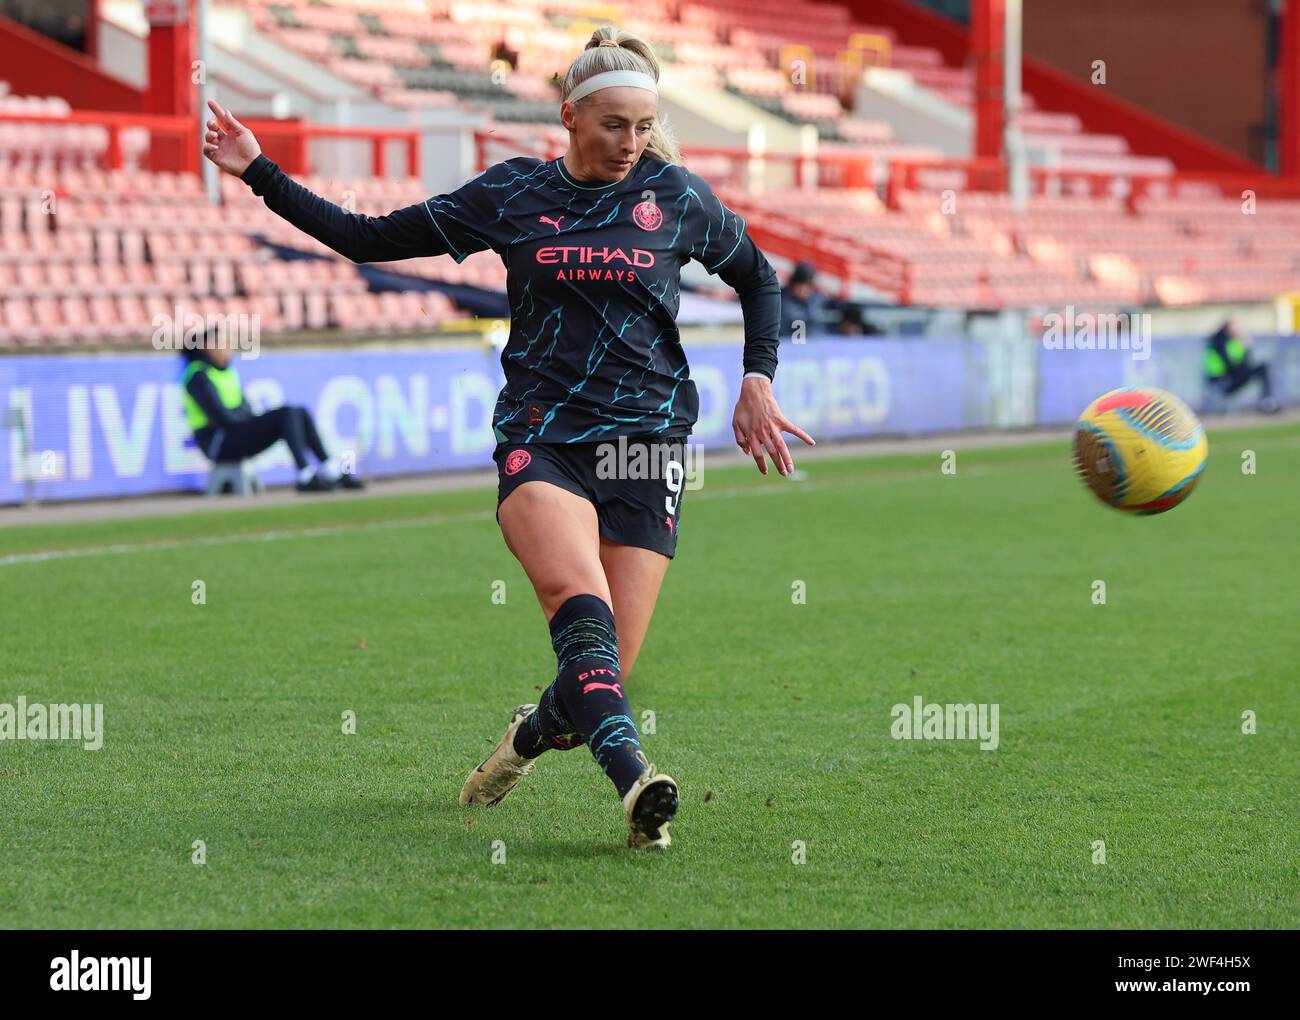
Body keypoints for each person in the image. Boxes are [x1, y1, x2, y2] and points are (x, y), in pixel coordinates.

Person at [202, 26, 813, 850]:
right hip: (543, 438)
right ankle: (638, 786)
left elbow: (757, 277)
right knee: (576, 602)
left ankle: (528, 737)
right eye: (612, 126)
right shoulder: (512, 195)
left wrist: (758, 377)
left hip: (648, 449)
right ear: (568, 115)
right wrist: (259, 173)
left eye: (642, 126)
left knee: (598, 679)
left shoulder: (678, 198)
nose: (631, 143)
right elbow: (368, 237)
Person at [181, 328, 364, 492]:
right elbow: (223, 417)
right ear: (207, 347)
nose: (229, 348)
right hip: (218, 442)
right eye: (224, 343)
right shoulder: (198, 376)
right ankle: (305, 474)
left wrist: (241, 415)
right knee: (285, 414)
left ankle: (330, 468)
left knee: (299, 412)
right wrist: (242, 415)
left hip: (234, 433)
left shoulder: (226, 372)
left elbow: (242, 409)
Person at [1205, 319, 1279, 414]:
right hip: (1223, 378)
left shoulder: (1231, 340)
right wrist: (1245, 347)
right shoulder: (1220, 340)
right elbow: (1230, 363)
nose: (1237, 329)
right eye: (1234, 327)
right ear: (1228, 327)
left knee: (1262, 368)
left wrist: (1246, 347)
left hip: (1231, 376)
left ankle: (1267, 401)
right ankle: (1266, 402)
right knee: (1262, 369)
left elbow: (1243, 361)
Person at [779, 260, 829, 339]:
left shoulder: (818, 299)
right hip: (786, 345)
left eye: (808, 285)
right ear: (793, 283)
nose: (804, 289)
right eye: (800, 284)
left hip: (814, 347)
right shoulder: (779, 299)